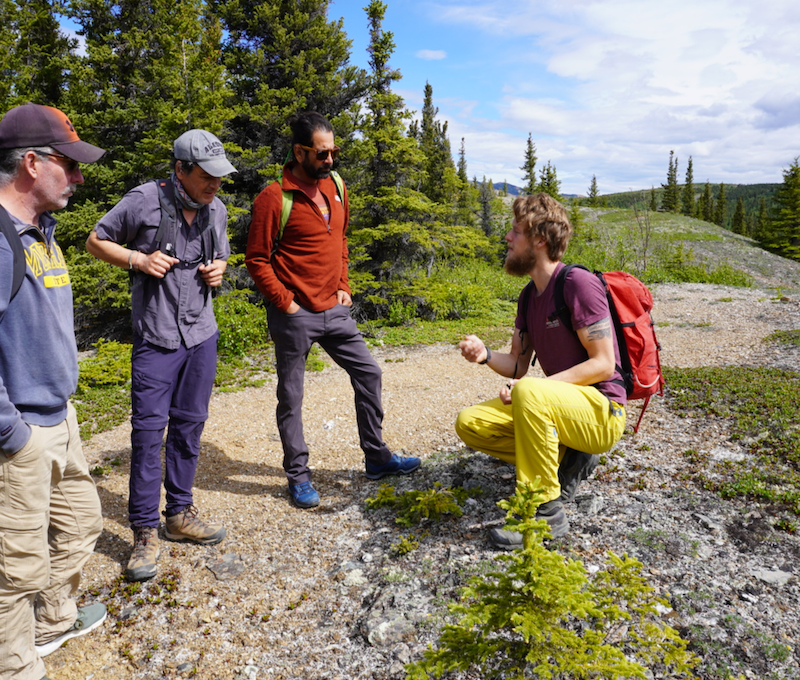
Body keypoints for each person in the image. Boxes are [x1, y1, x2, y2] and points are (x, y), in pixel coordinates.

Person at [245, 111, 420, 509]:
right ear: (299, 152)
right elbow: (256, 259)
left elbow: (340, 239)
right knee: (291, 397)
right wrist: (285, 301)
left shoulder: (337, 185)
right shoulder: (275, 197)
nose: (329, 160)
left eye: (333, 152)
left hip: (334, 309)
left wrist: (344, 285)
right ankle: (298, 477)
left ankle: (376, 458)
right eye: (321, 154)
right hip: (294, 314)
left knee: (369, 372)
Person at [85, 129, 235, 581]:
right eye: (207, 176)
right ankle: (145, 532)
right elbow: (95, 241)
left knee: (190, 428)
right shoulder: (143, 201)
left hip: (201, 337)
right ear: (180, 169)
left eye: (219, 176)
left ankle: (180, 514)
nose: (215, 184)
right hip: (156, 339)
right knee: (149, 436)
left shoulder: (218, 210)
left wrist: (219, 270)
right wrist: (137, 260)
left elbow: (224, 257)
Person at [0, 103, 106, 680]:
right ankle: (15, 666)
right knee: (15, 566)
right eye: (70, 164)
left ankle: (53, 623)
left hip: (60, 417)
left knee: (83, 523)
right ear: (32, 162)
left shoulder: (42, 229)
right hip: (21, 431)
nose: (80, 176)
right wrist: (12, 433)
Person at [456, 193, 627, 549]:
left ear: (539, 239)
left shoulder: (577, 284)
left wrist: (531, 389)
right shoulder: (528, 296)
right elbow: (519, 363)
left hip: (602, 412)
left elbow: (603, 363)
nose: (507, 238)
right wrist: (485, 355)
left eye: (515, 231)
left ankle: (545, 515)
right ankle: (565, 456)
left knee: (529, 391)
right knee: (470, 422)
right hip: (559, 409)